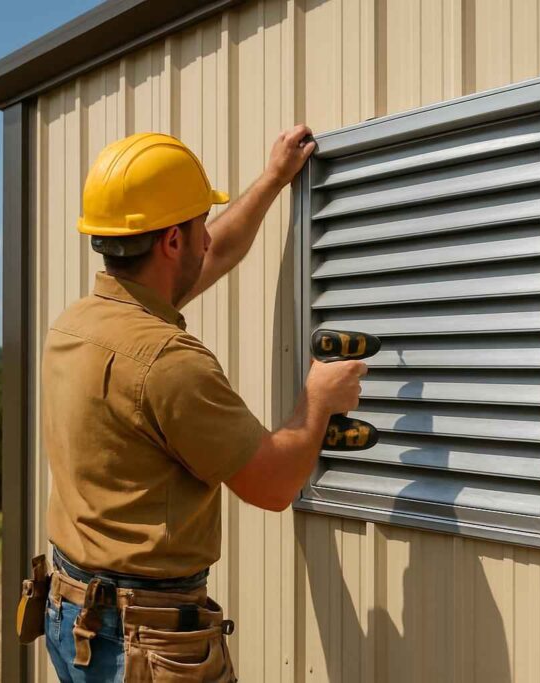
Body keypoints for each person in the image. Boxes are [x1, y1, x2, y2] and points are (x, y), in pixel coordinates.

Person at [40, 127, 367, 681]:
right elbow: (272, 485)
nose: (207, 239)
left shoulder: (79, 324)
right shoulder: (169, 362)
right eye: (196, 228)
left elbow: (219, 248)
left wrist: (270, 181)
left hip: (74, 617)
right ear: (170, 242)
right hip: (144, 643)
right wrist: (318, 401)